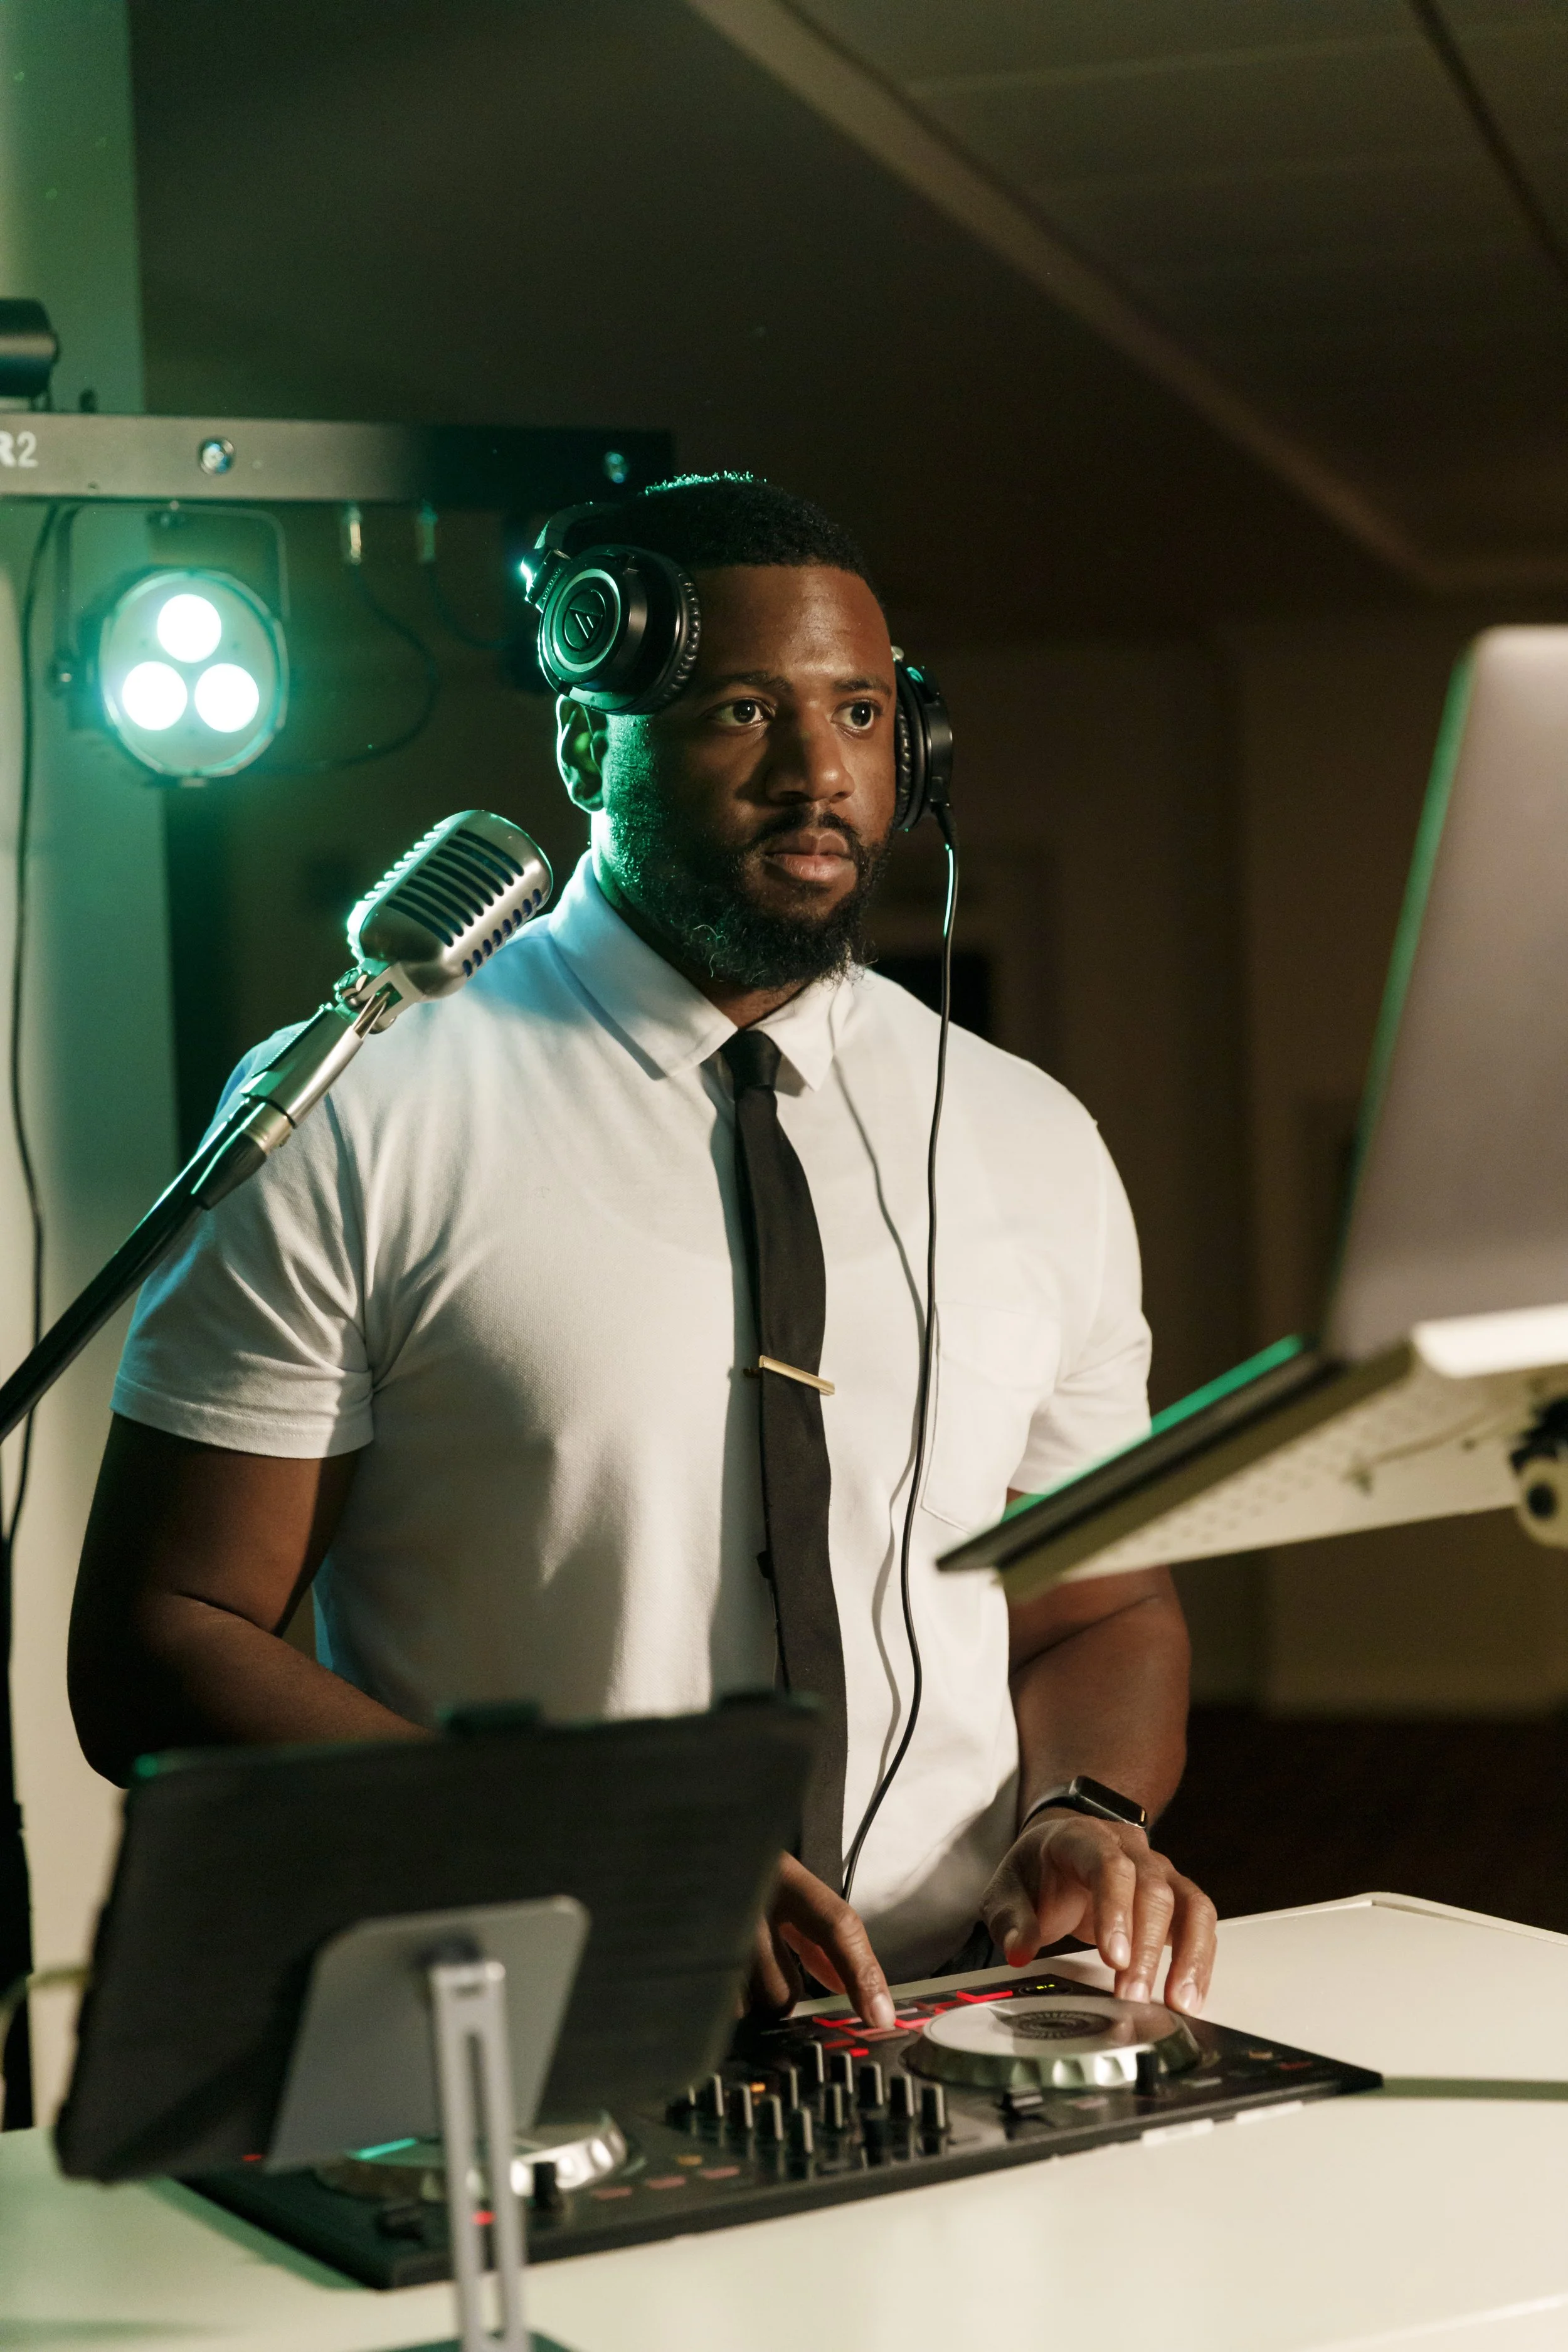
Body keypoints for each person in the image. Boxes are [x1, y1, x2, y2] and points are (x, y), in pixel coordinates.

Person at [69, 473, 1215, 2031]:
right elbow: (160, 1643)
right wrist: (594, 1848)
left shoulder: (1031, 1138)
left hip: (952, 2021)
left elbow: (1099, 1610)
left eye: (862, 715)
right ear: (580, 744)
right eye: (744, 709)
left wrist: (1084, 1807)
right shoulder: (361, 1103)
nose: (819, 774)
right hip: (512, 2015)